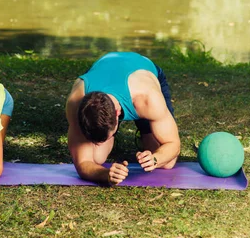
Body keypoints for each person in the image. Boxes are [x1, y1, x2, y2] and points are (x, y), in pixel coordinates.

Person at [66, 52, 180, 185]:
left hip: (141, 70)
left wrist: (155, 159)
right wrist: (106, 174)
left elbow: (174, 144)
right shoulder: (76, 102)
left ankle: (145, 129)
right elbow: (83, 163)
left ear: (117, 112)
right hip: (103, 67)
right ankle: (127, 134)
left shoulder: (147, 98)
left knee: (167, 163)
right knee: (97, 158)